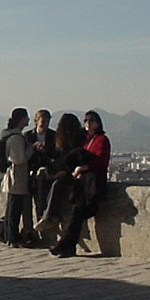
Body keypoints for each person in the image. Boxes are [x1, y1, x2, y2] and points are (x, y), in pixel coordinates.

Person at [50, 110, 111, 258]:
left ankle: (63, 245)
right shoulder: (86, 140)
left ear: (97, 123)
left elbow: (100, 160)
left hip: (93, 184)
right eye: (86, 121)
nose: (88, 124)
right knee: (76, 215)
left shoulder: (102, 140)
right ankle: (66, 247)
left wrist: (83, 167)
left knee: (77, 214)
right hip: (82, 184)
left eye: (91, 121)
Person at [34, 113, 87, 234]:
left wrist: (63, 172)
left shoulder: (76, 141)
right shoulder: (63, 142)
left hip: (72, 174)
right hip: (62, 171)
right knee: (43, 181)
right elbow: (58, 158)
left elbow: (74, 160)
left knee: (57, 185)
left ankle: (49, 216)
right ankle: (44, 214)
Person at [0, 107, 34, 248]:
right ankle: (13, 238)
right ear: (21, 119)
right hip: (17, 176)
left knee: (11, 208)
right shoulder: (16, 138)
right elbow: (19, 158)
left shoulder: (10, 136)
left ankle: (9, 236)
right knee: (15, 208)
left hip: (12, 176)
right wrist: (30, 149)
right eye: (26, 117)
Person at [23, 109, 57, 239]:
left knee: (41, 202)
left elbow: (56, 154)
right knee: (26, 205)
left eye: (47, 122)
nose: (45, 124)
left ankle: (42, 229)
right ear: (36, 122)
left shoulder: (53, 136)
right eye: (43, 121)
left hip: (45, 175)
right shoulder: (28, 136)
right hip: (29, 174)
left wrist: (46, 151)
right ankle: (28, 232)